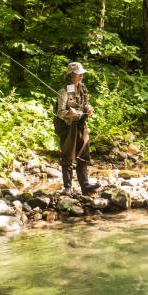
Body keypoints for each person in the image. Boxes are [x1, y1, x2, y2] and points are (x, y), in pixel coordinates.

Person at [53, 62, 100, 195]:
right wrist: (70, 113)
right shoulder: (63, 91)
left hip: (81, 124)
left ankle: (85, 185)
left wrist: (88, 109)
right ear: (71, 75)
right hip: (67, 126)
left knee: (84, 152)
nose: (80, 77)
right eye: (77, 74)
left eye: (81, 74)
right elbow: (60, 112)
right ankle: (67, 188)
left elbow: (85, 104)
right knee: (67, 155)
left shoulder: (83, 88)